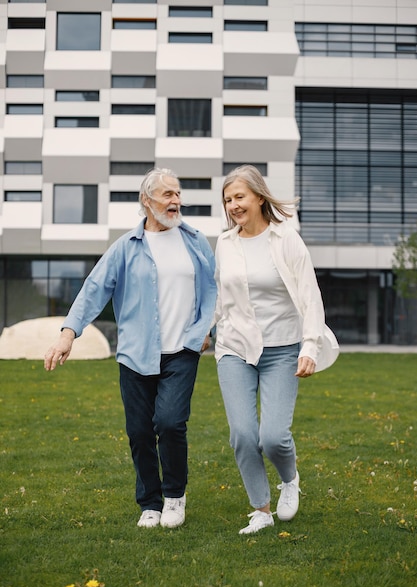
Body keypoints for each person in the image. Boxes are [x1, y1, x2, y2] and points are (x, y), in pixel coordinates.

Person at [44, 168, 217, 530]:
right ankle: (150, 503)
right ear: (146, 201)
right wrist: (67, 333)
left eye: (178, 193)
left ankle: (174, 496)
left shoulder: (196, 241)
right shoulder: (126, 247)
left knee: (170, 423)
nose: (176, 201)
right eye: (167, 194)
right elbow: (94, 289)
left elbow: (213, 289)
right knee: (139, 431)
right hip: (136, 354)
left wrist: (205, 328)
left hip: (182, 350)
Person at [214, 164, 333, 535]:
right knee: (243, 434)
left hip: (282, 348)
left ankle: (290, 479)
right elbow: (222, 297)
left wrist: (309, 346)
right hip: (234, 347)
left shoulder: (286, 239)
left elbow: (310, 296)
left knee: (273, 436)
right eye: (228, 199)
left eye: (239, 197)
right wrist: (207, 331)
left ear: (259, 197)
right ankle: (261, 510)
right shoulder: (224, 243)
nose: (233, 205)